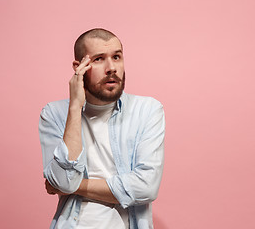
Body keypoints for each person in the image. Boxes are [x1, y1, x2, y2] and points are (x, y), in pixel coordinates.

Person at [39, 28, 165, 229]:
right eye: (98, 59)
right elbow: (63, 179)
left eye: (117, 57)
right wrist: (74, 108)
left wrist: (74, 186)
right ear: (79, 66)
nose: (111, 68)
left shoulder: (147, 110)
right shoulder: (54, 113)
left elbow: (146, 187)